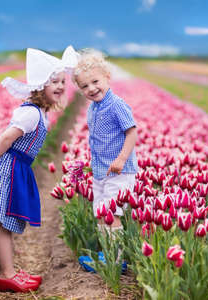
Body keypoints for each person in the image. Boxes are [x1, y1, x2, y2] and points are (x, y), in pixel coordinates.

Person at [0, 46, 78, 293]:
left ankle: (10, 270)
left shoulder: (40, 113)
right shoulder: (29, 114)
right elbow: (6, 139)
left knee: (8, 222)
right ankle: (7, 274)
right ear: (39, 86)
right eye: (53, 81)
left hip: (18, 167)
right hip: (7, 167)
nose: (60, 86)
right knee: (4, 222)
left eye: (62, 82)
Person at [72, 49, 138, 271]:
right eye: (84, 86)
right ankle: (106, 254)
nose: (91, 88)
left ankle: (116, 260)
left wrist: (121, 158)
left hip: (119, 170)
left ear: (107, 77)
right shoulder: (93, 108)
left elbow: (131, 132)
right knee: (101, 213)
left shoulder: (116, 104)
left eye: (95, 81)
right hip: (101, 171)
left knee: (112, 213)